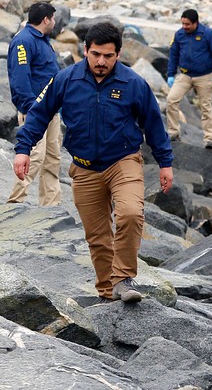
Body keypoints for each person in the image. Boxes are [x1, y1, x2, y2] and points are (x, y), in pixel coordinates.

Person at [13, 22, 174, 303]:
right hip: (84, 168)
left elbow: (153, 123)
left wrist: (165, 163)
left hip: (122, 160)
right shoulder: (65, 79)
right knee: (98, 237)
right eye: (96, 54)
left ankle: (123, 279)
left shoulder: (134, 83)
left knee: (130, 214)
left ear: (119, 54)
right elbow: (39, 114)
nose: (101, 62)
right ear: (85, 50)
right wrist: (23, 148)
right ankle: (107, 293)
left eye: (108, 56)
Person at [6, 2, 62, 206]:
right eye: (53, 18)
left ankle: (51, 206)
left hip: (52, 110)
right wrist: (31, 108)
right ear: (46, 19)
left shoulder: (43, 40)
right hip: (35, 111)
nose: (55, 22)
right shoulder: (23, 41)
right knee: (33, 157)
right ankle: (15, 204)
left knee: (53, 159)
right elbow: (20, 78)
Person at [165, 9, 212, 149]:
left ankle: (209, 138)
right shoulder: (179, 34)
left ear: (195, 23)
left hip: (204, 76)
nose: (184, 26)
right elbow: (173, 55)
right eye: (182, 23)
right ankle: (173, 132)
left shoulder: (208, 34)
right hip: (185, 75)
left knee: (206, 107)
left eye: (187, 24)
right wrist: (170, 74)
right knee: (171, 100)